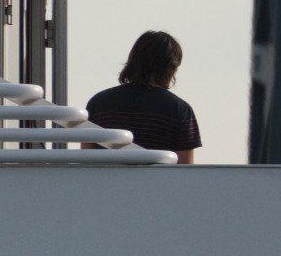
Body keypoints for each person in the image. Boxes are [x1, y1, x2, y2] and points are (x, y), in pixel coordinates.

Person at [85, 30, 202, 163]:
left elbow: (87, 160)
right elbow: (185, 171)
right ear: (170, 67)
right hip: (158, 183)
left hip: (105, 183)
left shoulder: (98, 103)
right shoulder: (180, 109)